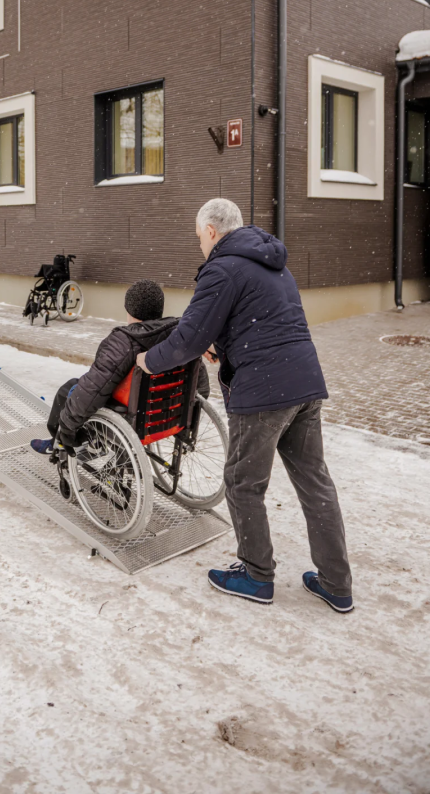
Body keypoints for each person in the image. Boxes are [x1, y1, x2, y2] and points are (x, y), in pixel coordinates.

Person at [136, 198, 353, 614]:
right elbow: (268, 321)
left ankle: (256, 576)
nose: (200, 243)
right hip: (304, 383)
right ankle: (336, 583)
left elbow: (188, 338)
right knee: (315, 483)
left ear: (212, 231)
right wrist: (226, 346)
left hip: (264, 391)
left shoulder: (222, 267)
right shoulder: (272, 262)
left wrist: (149, 361)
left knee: (242, 483)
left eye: (199, 235)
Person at [30, 279, 209, 454]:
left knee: (70, 389)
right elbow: (201, 387)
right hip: (169, 415)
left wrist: (68, 426)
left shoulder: (124, 341)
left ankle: (59, 442)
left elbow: (94, 388)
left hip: (131, 418)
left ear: (129, 310)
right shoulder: (178, 335)